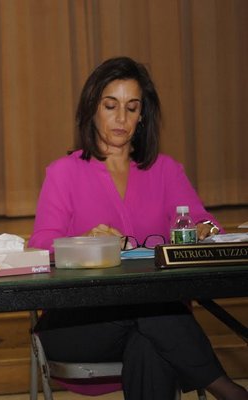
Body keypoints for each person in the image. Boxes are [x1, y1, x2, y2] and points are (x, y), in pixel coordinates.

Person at [29, 56, 247, 399]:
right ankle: (228, 390)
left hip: (153, 325)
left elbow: (209, 224)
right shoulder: (63, 172)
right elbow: (40, 246)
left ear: (142, 115)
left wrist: (204, 228)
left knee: (149, 340)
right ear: (92, 109)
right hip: (80, 323)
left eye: (132, 108)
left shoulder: (166, 170)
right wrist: (83, 242)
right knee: (153, 307)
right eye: (110, 106)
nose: (121, 118)